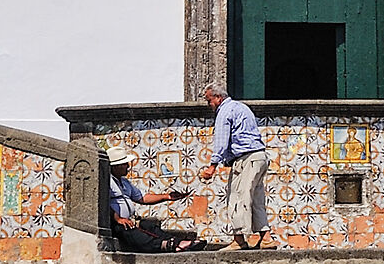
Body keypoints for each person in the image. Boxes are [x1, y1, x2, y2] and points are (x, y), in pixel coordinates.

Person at [196, 84, 271, 250]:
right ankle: (266, 238)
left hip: (246, 158)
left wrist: (212, 166)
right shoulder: (241, 107)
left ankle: (239, 239)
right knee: (256, 199)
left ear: (218, 98)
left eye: (209, 101)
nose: (209, 105)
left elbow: (221, 141)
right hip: (259, 157)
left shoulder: (224, 111)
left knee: (237, 197)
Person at [104, 147, 208, 254]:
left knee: (149, 226)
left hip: (129, 220)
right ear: (115, 166)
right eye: (125, 164)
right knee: (131, 233)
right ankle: (167, 245)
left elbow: (142, 198)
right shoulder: (107, 182)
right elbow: (103, 204)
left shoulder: (125, 182)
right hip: (117, 224)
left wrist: (167, 197)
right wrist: (118, 218)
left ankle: (177, 242)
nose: (128, 166)